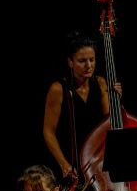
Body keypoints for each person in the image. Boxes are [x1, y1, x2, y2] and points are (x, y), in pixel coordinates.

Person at [43, 32, 120, 181]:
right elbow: (48, 132)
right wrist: (64, 164)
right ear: (70, 62)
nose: (89, 65)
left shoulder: (101, 83)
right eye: (82, 61)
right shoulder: (58, 89)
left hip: (97, 160)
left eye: (92, 60)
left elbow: (108, 122)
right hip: (71, 161)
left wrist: (117, 100)